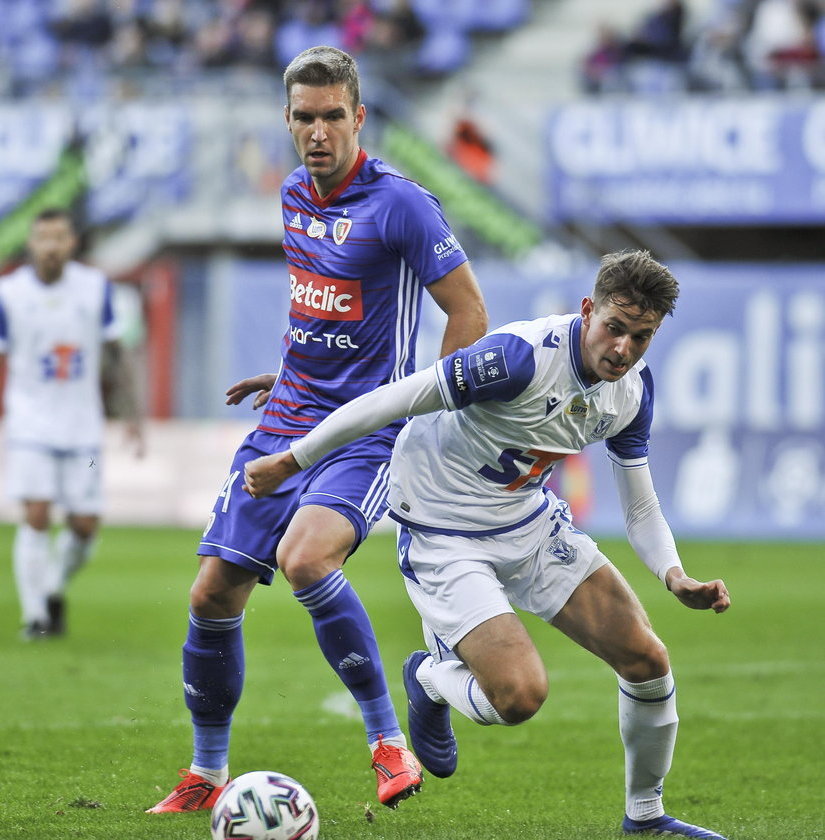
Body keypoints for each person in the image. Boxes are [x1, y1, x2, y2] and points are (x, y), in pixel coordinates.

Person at [242, 250, 731, 839]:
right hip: (444, 534)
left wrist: (675, 575)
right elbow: (396, 400)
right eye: (615, 329)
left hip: (527, 522)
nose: (623, 350)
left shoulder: (630, 392)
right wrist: (292, 460)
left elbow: (641, 502)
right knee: (520, 696)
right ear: (586, 312)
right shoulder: (517, 358)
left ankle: (646, 818)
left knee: (648, 660)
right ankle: (428, 677)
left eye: (641, 338)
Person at [146, 45, 487, 814]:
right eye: (304, 117)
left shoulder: (403, 204)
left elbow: (468, 312)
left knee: (305, 559)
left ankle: (387, 744)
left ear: (359, 117)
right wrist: (289, 369)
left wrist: (425, 411)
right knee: (210, 593)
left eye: (334, 116)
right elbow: (326, 308)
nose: (319, 132)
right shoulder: (294, 193)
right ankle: (205, 774)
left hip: (363, 434)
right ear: (288, 121)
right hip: (286, 413)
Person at [0, 207, 143, 639]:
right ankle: (35, 615)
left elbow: (116, 352)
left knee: (85, 525)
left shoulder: (94, 288)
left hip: (82, 428)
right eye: (43, 238)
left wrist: (134, 415)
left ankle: (52, 588)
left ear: (71, 243)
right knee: (36, 513)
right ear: (31, 243)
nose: (51, 246)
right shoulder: (8, 292)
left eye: (59, 238)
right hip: (29, 425)